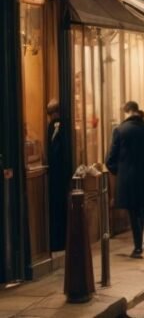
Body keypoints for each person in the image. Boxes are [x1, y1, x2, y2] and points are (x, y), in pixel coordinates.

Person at [105, 102, 144, 261]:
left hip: (127, 179)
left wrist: (119, 172)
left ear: (126, 112)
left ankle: (137, 248)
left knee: (133, 213)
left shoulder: (120, 131)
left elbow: (110, 159)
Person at [46, 100, 66, 252]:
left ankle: (58, 241)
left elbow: (54, 152)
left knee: (57, 209)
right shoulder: (57, 126)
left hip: (56, 176)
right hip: (61, 176)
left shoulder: (55, 125)